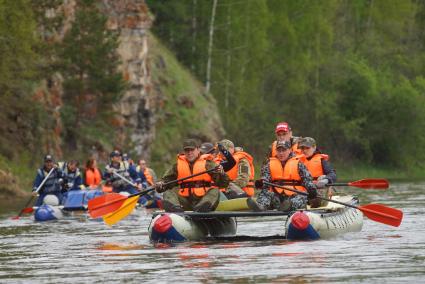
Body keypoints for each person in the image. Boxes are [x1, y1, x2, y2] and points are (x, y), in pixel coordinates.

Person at [154, 139, 230, 212]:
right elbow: (166, 182)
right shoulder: (177, 166)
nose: (189, 153)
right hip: (185, 202)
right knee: (168, 193)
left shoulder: (208, 164)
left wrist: (221, 173)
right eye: (187, 150)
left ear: (198, 150)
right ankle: (176, 210)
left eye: (192, 150)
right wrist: (160, 184)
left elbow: (223, 184)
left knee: (215, 191)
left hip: (202, 200)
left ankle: (202, 209)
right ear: (184, 152)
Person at [248, 140, 320, 212]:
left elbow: (307, 179)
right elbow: (265, 178)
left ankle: (288, 206)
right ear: (276, 151)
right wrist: (261, 183)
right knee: (265, 193)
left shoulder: (298, 163)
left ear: (289, 150)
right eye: (279, 151)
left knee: (302, 196)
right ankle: (261, 206)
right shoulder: (269, 164)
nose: (281, 153)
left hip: (294, 196)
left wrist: (311, 189)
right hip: (277, 197)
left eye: (284, 150)